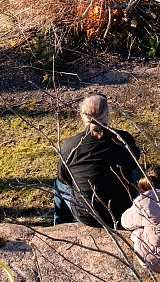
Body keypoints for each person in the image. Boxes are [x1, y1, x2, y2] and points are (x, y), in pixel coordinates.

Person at [54, 94, 140, 228]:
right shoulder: (124, 139)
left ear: (83, 116)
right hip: (122, 211)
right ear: (107, 115)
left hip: (88, 215)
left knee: (58, 182)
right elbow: (134, 162)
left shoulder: (70, 145)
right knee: (130, 168)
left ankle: (60, 225)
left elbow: (63, 177)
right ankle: (133, 200)